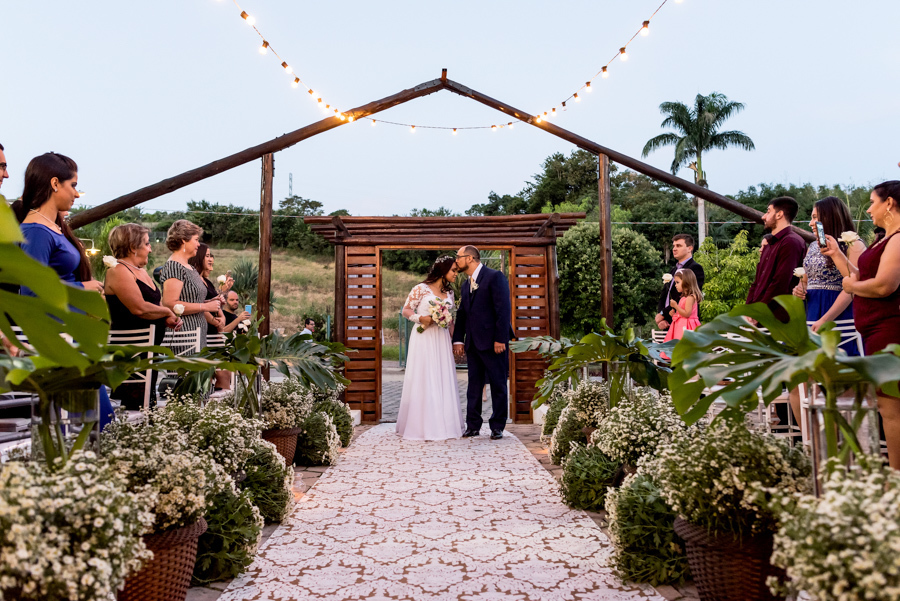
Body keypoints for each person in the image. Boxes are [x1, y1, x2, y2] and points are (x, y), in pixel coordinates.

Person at [15, 152, 113, 428]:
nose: (77, 194)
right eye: (73, 185)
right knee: (93, 423)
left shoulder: (52, 228)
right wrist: (83, 287)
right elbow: (31, 291)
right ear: (55, 183)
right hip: (58, 337)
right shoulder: (35, 231)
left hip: (72, 334)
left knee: (95, 420)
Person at [822, 180, 900, 469]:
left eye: (872, 202)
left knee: (891, 408)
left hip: (889, 329)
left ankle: (895, 477)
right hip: (873, 329)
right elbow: (861, 276)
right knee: (886, 406)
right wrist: (838, 257)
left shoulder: (898, 239)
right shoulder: (885, 238)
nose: (868, 209)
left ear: (889, 203)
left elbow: (883, 286)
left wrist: (849, 285)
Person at [104, 223, 182, 409]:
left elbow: (154, 305)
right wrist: (167, 312)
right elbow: (138, 308)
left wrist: (165, 318)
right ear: (133, 247)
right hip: (132, 351)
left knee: (147, 401)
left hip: (148, 349)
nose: (151, 248)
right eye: (147, 244)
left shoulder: (140, 271)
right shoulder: (118, 270)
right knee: (135, 405)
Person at [396, 256, 464, 441]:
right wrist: (421, 318)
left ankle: (444, 424)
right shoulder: (420, 289)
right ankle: (420, 426)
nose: (456, 274)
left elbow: (450, 320)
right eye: (453, 271)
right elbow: (406, 310)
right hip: (424, 337)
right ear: (443, 271)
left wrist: (456, 340)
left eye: (457, 271)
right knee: (424, 377)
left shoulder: (450, 293)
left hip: (441, 339)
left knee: (442, 376)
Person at [452, 246, 513, 440]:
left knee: (498, 384)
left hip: (494, 342)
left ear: (469, 258)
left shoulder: (495, 277)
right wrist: (457, 340)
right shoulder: (465, 284)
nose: (456, 261)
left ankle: (497, 426)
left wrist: (500, 339)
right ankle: (473, 425)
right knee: (474, 386)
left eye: (458, 257)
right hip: (473, 343)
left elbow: (503, 310)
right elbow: (462, 314)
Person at [158, 220, 220, 349]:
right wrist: (205, 306)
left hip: (197, 334)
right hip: (184, 336)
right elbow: (170, 303)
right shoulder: (174, 267)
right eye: (196, 240)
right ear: (183, 240)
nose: (198, 244)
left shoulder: (189, 267)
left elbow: (188, 298)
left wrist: (210, 301)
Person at [746, 196, 808, 321]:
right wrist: (748, 311)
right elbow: (757, 282)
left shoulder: (791, 242)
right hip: (759, 315)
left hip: (778, 317)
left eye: (768, 211)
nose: (764, 216)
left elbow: (780, 283)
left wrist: (759, 313)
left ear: (779, 214)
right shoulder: (769, 244)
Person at [655, 234, 705, 331]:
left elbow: (686, 295)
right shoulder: (672, 271)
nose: (674, 249)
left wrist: (663, 314)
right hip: (667, 323)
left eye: (678, 246)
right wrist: (661, 318)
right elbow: (664, 295)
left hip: (684, 323)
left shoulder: (695, 269)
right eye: (673, 246)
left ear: (690, 248)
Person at [188, 243, 225, 337]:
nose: (210, 259)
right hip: (199, 329)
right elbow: (198, 304)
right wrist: (217, 323)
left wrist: (222, 318)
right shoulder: (193, 279)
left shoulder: (207, 282)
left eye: (211, 256)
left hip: (212, 329)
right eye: (207, 256)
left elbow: (210, 302)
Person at [663, 269, 702, 345]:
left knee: (685, 345)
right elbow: (681, 314)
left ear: (686, 282)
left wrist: (676, 306)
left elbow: (687, 314)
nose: (675, 285)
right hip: (680, 326)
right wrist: (674, 315)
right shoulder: (683, 298)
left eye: (677, 282)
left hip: (687, 326)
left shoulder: (690, 297)